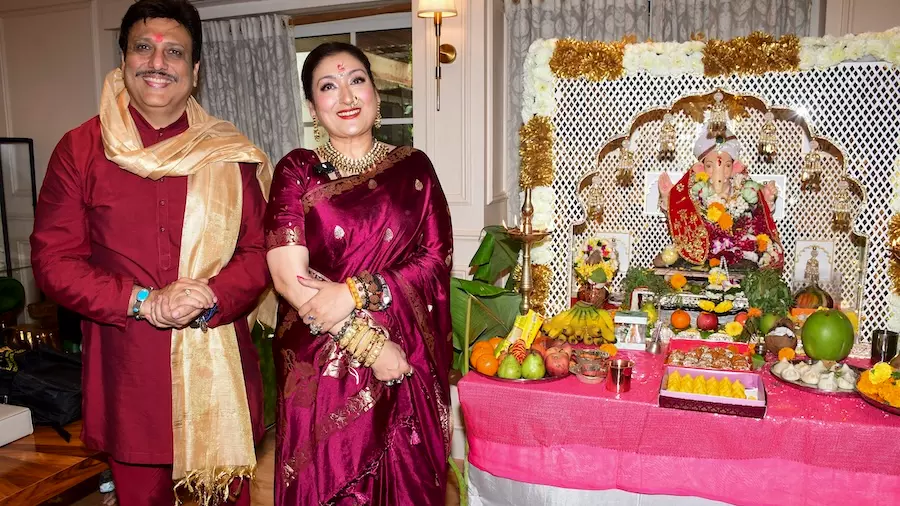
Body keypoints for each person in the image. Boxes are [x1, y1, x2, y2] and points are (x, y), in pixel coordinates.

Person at [30, 1, 274, 504]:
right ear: (123, 61)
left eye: (174, 52)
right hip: (130, 374)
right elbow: (54, 261)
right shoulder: (80, 149)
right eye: (144, 47)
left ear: (195, 71)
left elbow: (258, 249)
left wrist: (210, 294)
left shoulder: (228, 153)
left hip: (217, 372)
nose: (157, 62)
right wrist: (143, 301)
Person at [265, 42, 453, 505]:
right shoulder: (297, 172)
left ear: (376, 92)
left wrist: (357, 290)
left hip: (407, 358)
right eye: (328, 86)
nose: (346, 96)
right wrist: (371, 346)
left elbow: (435, 260)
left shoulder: (415, 168)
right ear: (312, 106)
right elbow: (292, 280)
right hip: (323, 364)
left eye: (357, 81)